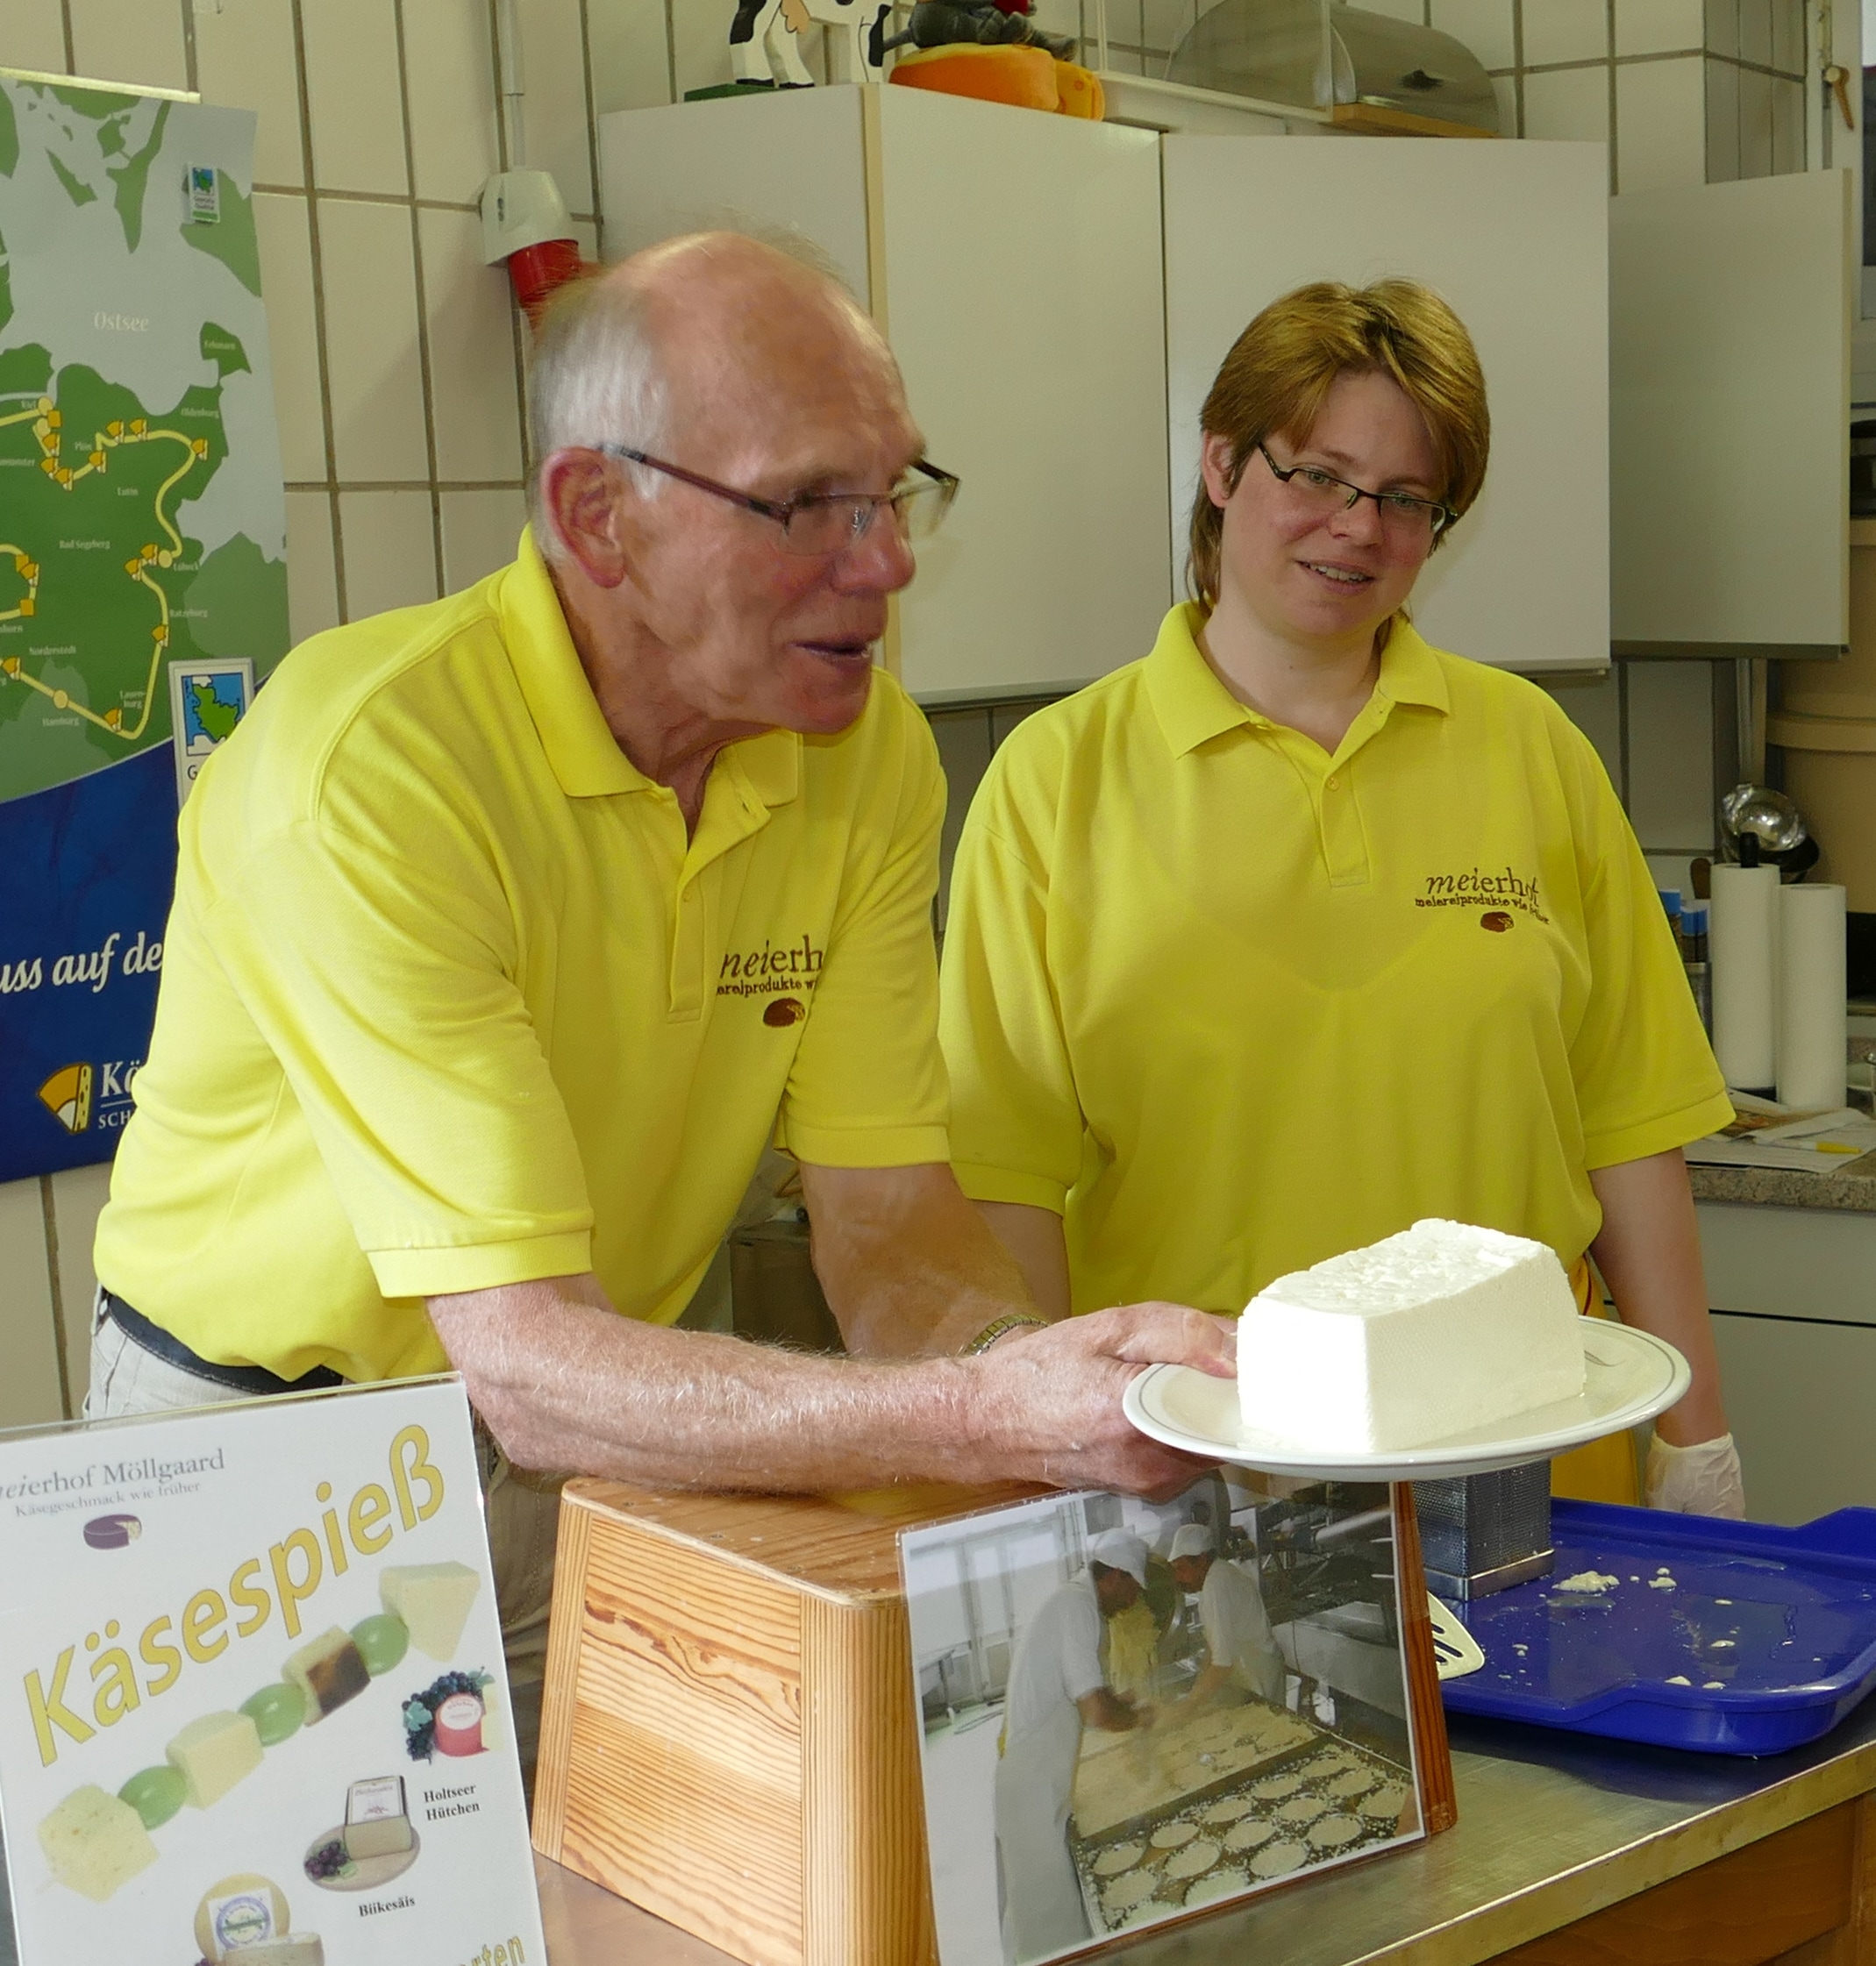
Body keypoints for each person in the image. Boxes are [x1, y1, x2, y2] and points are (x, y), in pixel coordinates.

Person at [87, 233, 1231, 1765]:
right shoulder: (372, 769)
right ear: (596, 513)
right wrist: (982, 1417)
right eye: (805, 502)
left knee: (620, 1893)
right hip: (263, 1463)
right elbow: (523, 1354)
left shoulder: (861, 753)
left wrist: (1041, 1393)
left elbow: (883, 1213)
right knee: (278, 1905)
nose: (884, 559)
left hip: (611, 1423)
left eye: (892, 491)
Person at [938, 277, 1743, 1516]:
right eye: (1315, 473)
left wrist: (1694, 1442)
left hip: (1527, 1448)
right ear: (1219, 464)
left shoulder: (1531, 752)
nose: (1356, 527)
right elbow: (1008, 1179)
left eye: (1405, 497)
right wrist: (1057, 1483)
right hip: (1200, 1468)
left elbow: (1631, 1125)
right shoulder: (1053, 782)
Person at [995, 1528, 1151, 1963]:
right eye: (1133, 1588)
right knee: (1050, 1922)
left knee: (1030, 1915)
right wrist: (1140, 1719)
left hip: (1035, 1777)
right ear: (1116, 1576)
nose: (1133, 1600)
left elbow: (1076, 1692)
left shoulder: (1073, 1600)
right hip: (1031, 1785)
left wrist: (1119, 1700)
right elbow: (1095, 1714)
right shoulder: (1078, 1606)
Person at [1166, 1523, 1284, 1707]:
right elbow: (1215, 1648)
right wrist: (1197, 1689)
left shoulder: (1217, 1584)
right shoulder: (1217, 1576)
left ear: (1202, 1559)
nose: (1177, 1578)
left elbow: (1222, 1665)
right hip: (1249, 1667)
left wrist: (1187, 1707)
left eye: (1181, 1569)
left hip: (1257, 1671)